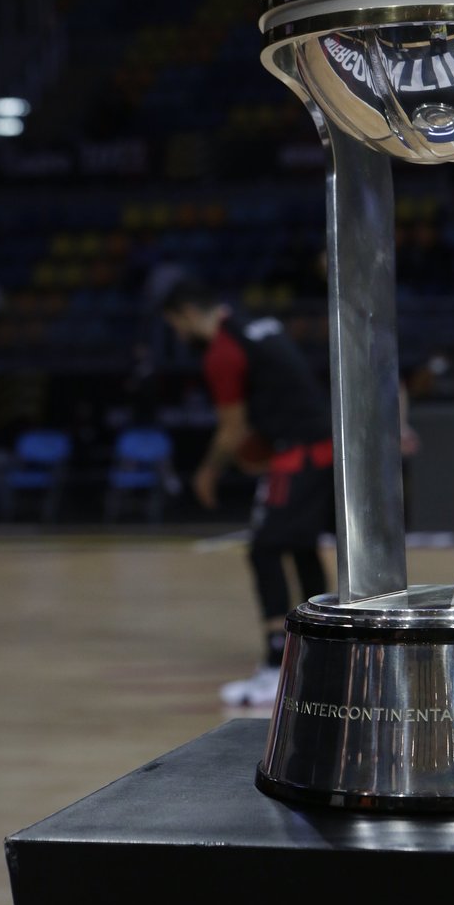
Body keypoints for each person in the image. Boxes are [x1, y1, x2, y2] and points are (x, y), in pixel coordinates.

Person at [160, 278, 335, 707]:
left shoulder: (222, 351)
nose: (178, 336)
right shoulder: (260, 326)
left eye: (175, 326)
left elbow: (232, 427)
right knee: (300, 546)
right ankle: (327, 652)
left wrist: (207, 472)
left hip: (300, 454)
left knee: (265, 548)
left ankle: (277, 666)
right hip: (327, 447)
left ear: (185, 314)